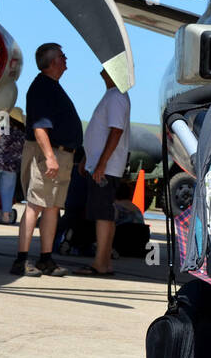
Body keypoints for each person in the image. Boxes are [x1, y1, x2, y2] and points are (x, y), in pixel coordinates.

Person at [12, 43, 83, 278]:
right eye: (62, 56)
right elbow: (40, 126)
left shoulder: (51, 86)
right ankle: (21, 259)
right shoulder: (42, 87)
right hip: (49, 154)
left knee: (52, 206)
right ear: (52, 62)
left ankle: (46, 258)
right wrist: (50, 157)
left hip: (61, 154)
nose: (66, 59)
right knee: (36, 204)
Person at [77, 69, 131, 276]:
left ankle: (100, 262)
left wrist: (101, 164)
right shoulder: (113, 95)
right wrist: (88, 158)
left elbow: (116, 131)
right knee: (105, 214)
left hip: (105, 168)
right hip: (102, 165)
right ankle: (104, 261)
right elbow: (101, 133)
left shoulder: (117, 96)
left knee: (102, 215)